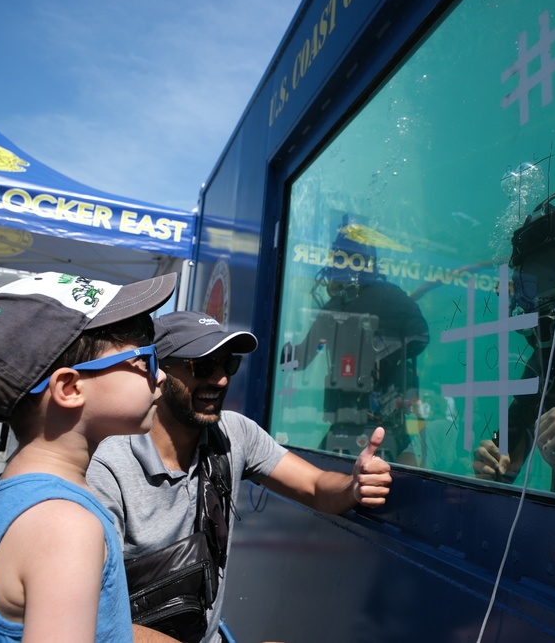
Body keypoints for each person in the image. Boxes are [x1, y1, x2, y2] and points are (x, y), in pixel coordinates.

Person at [87, 311, 393, 643]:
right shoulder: (109, 467)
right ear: (158, 372)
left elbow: (316, 487)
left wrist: (354, 485)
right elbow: (94, 619)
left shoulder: (234, 433)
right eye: (202, 366)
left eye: (227, 365)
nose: (219, 379)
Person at [0, 271, 177, 642]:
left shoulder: (14, 496)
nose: (160, 375)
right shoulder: (65, 525)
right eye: (145, 358)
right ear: (69, 387)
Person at [472, 188, 555, 497]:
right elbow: (513, 431)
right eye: (532, 283)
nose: (543, 297)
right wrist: (494, 456)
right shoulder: (546, 359)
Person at [283, 216, 430, 464]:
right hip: (390, 427)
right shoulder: (395, 297)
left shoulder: (335, 306)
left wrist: (281, 343)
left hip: (346, 426)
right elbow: (421, 337)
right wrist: (386, 357)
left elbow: (299, 360)